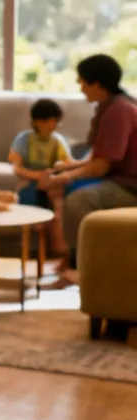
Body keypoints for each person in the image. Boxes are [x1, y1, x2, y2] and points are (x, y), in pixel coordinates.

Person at [44, 54, 137, 281]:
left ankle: (83, 268)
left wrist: (64, 177)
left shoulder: (120, 111)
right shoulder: (109, 106)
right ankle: (70, 257)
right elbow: (100, 156)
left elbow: (102, 166)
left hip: (130, 185)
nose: (81, 87)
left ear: (97, 84)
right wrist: (70, 167)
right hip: (117, 177)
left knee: (79, 200)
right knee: (61, 183)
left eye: (83, 82)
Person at [9, 98, 73, 256]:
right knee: (30, 199)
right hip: (30, 180)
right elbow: (17, 166)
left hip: (50, 181)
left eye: (55, 121)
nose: (53, 125)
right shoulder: (25, 139)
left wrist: (53, 173)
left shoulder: (57, 141)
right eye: (49, 120)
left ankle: (57, 246)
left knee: (57, 203)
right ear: (37, 121)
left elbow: (66, 163)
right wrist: (37, 176)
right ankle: (29, 244)